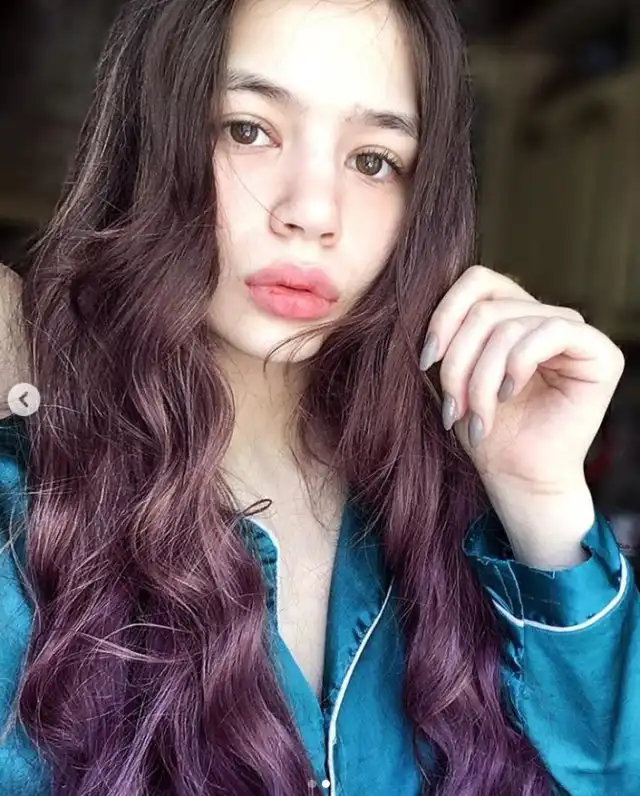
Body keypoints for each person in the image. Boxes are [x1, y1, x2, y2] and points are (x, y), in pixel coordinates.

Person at [0, 0, 638, 794]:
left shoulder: (460, 516)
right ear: (150, 143)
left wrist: (541, 503)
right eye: (247, 129)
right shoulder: (29, 521)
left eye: (373, 160)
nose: (312, 212)